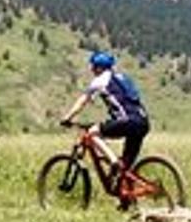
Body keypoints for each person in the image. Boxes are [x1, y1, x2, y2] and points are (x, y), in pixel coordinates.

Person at [61, 51, 150, 201]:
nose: (91, 69)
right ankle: (126, 199)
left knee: (91, 133)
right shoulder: (122, 78)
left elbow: (83, 101)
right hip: (143, 121)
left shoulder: (99, 81)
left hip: (127, 121)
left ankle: (113, 163)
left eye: (93, 66)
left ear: (99, 68)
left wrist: (68, 117)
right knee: (126, 167)